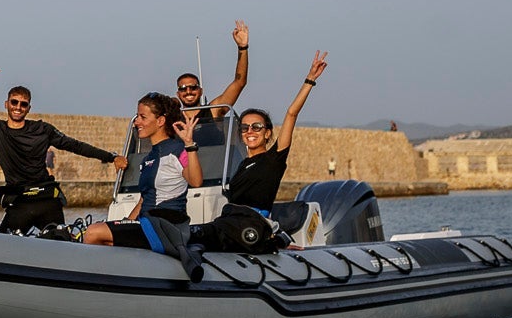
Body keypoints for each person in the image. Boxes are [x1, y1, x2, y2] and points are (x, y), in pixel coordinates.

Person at [195, 51, 329, 254]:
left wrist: (309, 80)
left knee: (194, 234)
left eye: (256, 127)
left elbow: (291, 113)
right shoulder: (241, 165)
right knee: (192, 234)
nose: (250, 131)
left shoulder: (273, 160)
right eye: (245, 127)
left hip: (249, 228)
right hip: (229, 223)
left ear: (267, 133)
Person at [0, 62, 124, 234]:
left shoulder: (43, 130)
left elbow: (75, 146)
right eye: (14, 102)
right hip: (20, 203)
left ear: (28, 109)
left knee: (62, 247)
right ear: (6, 104)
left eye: (23, 104)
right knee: (2, 248)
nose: (18, 107)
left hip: (47, 201)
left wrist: (111, 157)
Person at [79, 92, 201, 244]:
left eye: (143, 117)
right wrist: (126, 223)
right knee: (99, 235)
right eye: (137, 117)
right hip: (146, 223)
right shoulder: (148, 158)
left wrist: (189, 145)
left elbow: (196, 181)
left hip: (166, 226)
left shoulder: (178, 150)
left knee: (93, 232)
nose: (136, 122)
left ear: (160, 121)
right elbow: (144, 200)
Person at [175, 21, 249, 149]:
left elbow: (239, 82)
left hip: (215, 166)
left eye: (193, 87)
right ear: (178, 94)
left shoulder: (213, 111)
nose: (188, 91)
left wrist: (242, 48)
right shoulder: (173, 117)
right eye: (183, 89)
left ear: (200, 90)